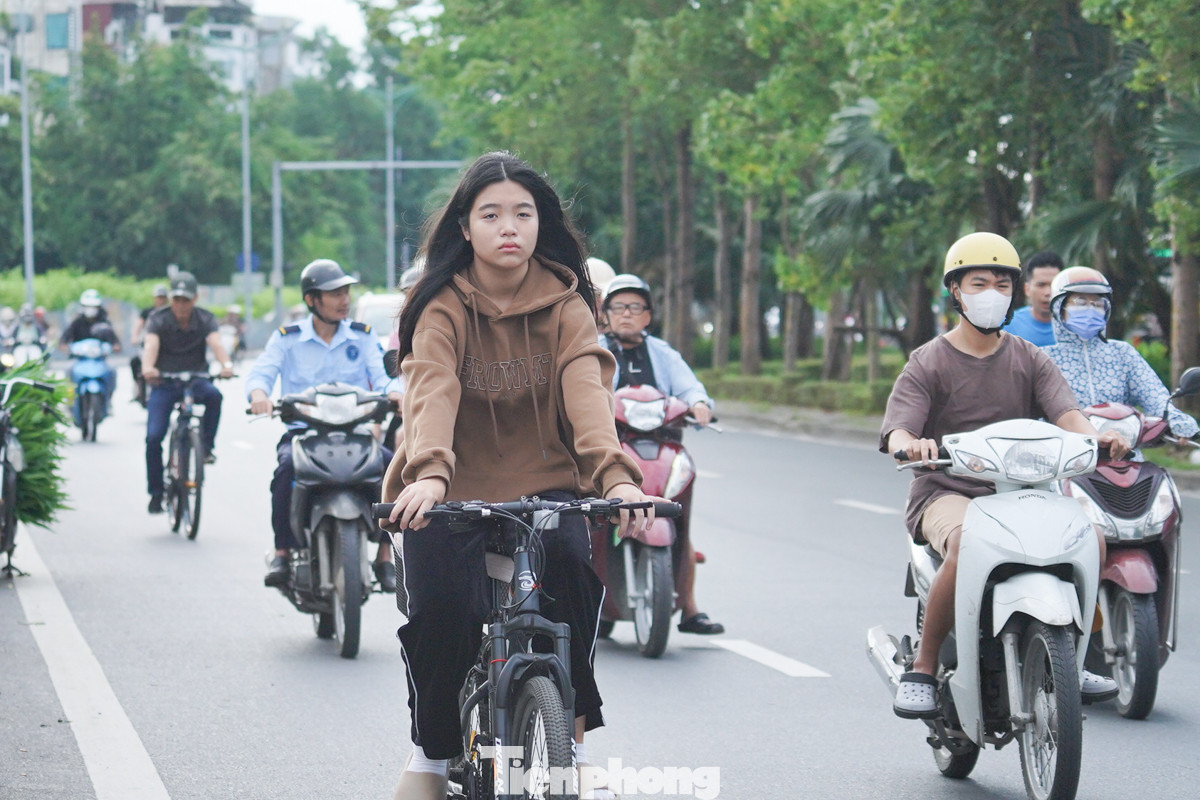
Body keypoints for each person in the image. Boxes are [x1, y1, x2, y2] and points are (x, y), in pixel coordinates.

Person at [379, 151, 657, 800]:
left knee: (571, 575)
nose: (510, 226)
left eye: (524, 214)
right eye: (492, 214)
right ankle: (432, 750)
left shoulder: (567, 304)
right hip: (444, 491)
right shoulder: (440, 305)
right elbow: (433, 392)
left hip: (545, 485)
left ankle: (573, 739)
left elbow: (588, 395)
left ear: (541, 224)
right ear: (465, 228)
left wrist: (615, 479)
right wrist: (428, 475)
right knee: (445, 610)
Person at [881, 232, 1128, 719]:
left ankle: (1072, 658)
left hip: (1023, 491)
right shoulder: (927, 361)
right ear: (956, 290)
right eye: (979, 282)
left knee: (1092, 538)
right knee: (966, 542)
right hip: (947, 490)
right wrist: (911, 443)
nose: (992, 293)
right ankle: (925, 667)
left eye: (1001, 283)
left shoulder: (1029, 357)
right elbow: (898, 430)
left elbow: (1068, 414)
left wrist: (1096, 437)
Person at [246, 259, 402, 591]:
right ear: (311, 300)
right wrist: (259, 394)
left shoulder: (361, 337)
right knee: (284, 472)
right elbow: (262, 373)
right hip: (304, 436)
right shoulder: (287, 338)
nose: (344, 299)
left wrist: (396, 394)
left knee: (393, 469)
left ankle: (385, 555)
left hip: (356, 435)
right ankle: (283, 551)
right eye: (334, 293)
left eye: (346, 291)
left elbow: (383, 377)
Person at [600, 272, 724, 635]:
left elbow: (691, 388)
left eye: (635, 307)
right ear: (605, 313)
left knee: (678, 517)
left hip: (663, 446)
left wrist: (699, 403)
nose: (626, 314)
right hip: (606, 450)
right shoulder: (592, 348)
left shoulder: (663, 354)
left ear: (648, 316)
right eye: (618, 307)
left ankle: (688, 607)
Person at [1042, 266, 1199, 437]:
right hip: (1064, 455)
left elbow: (1154, 394)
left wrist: (1177, 421)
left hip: (1123, 451)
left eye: (1097, 304)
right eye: (1080, 302)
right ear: (1059, 307)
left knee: (1151, 466)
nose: (1090, 309)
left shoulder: (1122, 353)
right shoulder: (1044, 358)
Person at [141, 273, 234, 514]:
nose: (181, 305)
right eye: (177, 299)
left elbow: (216, 344)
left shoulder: (205, 319)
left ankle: (206, 446)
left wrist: (226, 366)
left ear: (194, 299)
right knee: (153, 437)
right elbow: (151, 345)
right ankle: (156, 492)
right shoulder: (158, 319)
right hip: (165, 382)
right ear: (171, 299)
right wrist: (148, 369)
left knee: (215, 396)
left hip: (195, 380)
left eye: (186, 300)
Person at [61, 289, 122, 414]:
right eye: (88, 306)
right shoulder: (76, 322)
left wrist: (114, 347)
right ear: (83, 307)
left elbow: (116, 342)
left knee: (112, 371)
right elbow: (63, 341)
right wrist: (67, 349)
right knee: (68, 372)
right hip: (80, 360)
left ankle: (108, 400)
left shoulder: (105, 323)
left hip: (99, 360)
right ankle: (70, 401)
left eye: (93, 307)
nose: (91, 309)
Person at [1003, 250, 1062, 346]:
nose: (1048, 293)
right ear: (1027, 289)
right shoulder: (1007, 325)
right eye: (1041, 285)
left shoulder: (1075, 327)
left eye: (1053, 285)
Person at [131, 284, 170, 407]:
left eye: (163, 297)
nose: (161, 300)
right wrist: (135, 336)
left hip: (165, 347)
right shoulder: (148, 312)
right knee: (135, 362)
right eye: (159, 297)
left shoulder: (171, 313)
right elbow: (139, 325)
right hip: (147, 346)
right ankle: (138, 386)